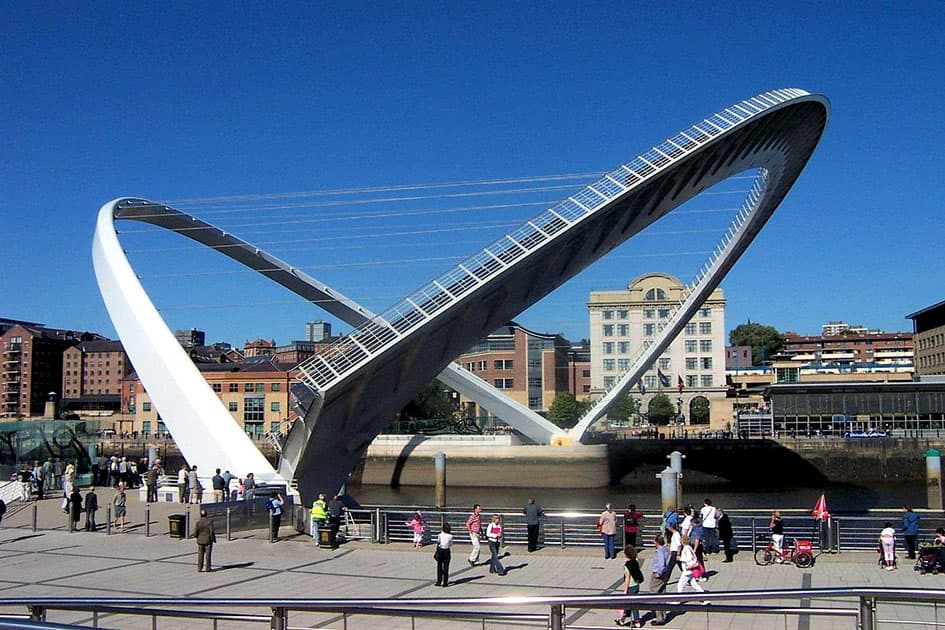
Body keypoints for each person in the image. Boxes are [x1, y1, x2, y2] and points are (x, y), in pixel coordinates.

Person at [615, 545, 645, 627]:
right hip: (636, 585)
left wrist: (625, 589)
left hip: (630, 586)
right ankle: (623, 620)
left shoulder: (627, 565)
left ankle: (636, 622)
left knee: (629, 604)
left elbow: (627, 578)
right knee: (632, 603)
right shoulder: (635, 561)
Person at [649, 534, 672, 626]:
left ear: (657, 542)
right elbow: (668, 561)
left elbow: (662, 563)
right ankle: (663, 616)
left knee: (654, 594)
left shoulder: (659, 551)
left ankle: (659, 618)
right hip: (665, 574)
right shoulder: (666, 549)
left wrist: (658, 573)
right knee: (662, 594)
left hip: (659, 575)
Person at [434, 522, 453, 587]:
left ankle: (439, 581)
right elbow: (450, 544)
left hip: (440, 550)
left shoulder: (440, 535)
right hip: (447, 551)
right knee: (446, 567)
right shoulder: (450, 536)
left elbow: (438, 542)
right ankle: (445, 582)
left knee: (439, 566)